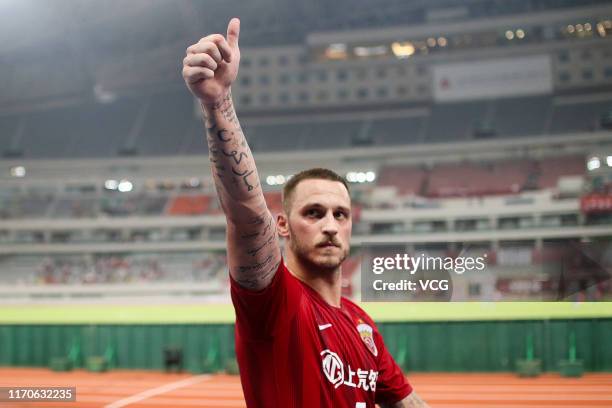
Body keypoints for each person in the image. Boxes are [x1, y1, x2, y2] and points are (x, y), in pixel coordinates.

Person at [182, 18, 429, 408]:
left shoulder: (362, 324)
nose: (330, 225)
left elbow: (408, 403)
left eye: (340, 215)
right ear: (283, 224)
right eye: (313, 213)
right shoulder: (274, 302)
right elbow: (247, 215)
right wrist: (217, 103)